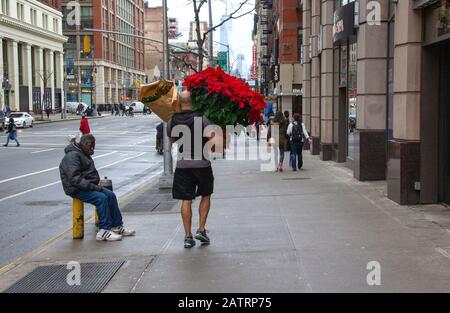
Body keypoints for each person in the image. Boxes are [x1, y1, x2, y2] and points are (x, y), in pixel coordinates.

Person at [59, 134, 135, 241]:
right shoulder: (72, 156)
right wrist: (93, 187)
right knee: (101, 198)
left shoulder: (83, 153)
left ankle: (116, 225)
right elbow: (74, 179)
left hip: (88, 186)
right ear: (82, 144)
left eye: (93, 146)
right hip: (76, 189)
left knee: (110, 195)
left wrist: (93, 186)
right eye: (89, 145)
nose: (92, 148)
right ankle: (103, 230)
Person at [167, 91, 214, 249]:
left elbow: (172, 140)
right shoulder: (202, 119)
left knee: (186, 199)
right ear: (193, 102)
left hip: (183, 165)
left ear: (179, 102)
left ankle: (188, 237)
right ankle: (201, 229)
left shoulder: (172, 120)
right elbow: (213, 138)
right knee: (205, 195)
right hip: (202, 164)